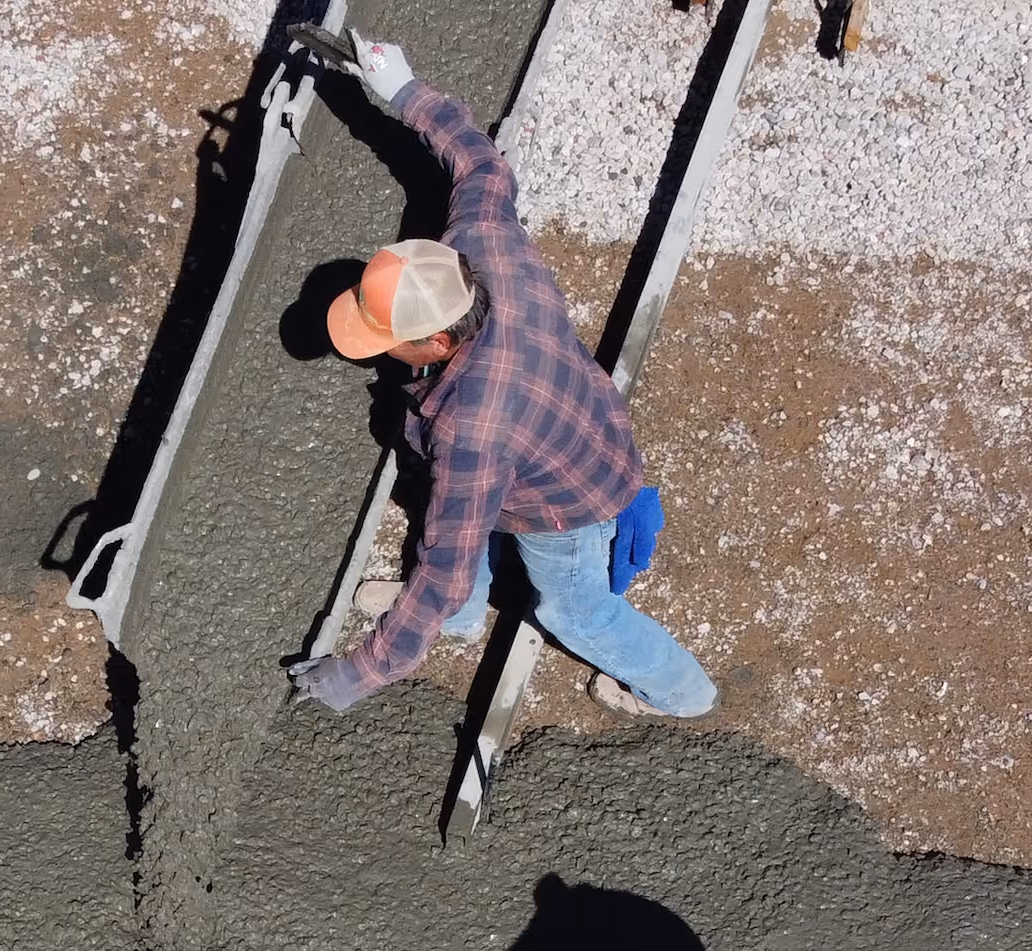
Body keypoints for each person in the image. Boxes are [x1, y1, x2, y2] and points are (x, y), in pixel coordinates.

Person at [283, 37, 714, 723]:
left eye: (385, 340)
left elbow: (447, 566)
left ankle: (683, 693)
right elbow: (480, 161)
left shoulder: (470, 426)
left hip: (566, 506)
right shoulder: (483, 245)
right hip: (579, 421)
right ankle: (457, 623)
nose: (376, 350)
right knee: (460, 513)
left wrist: (363, 670)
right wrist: (402, 86)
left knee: (574, 609)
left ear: (437, 340)